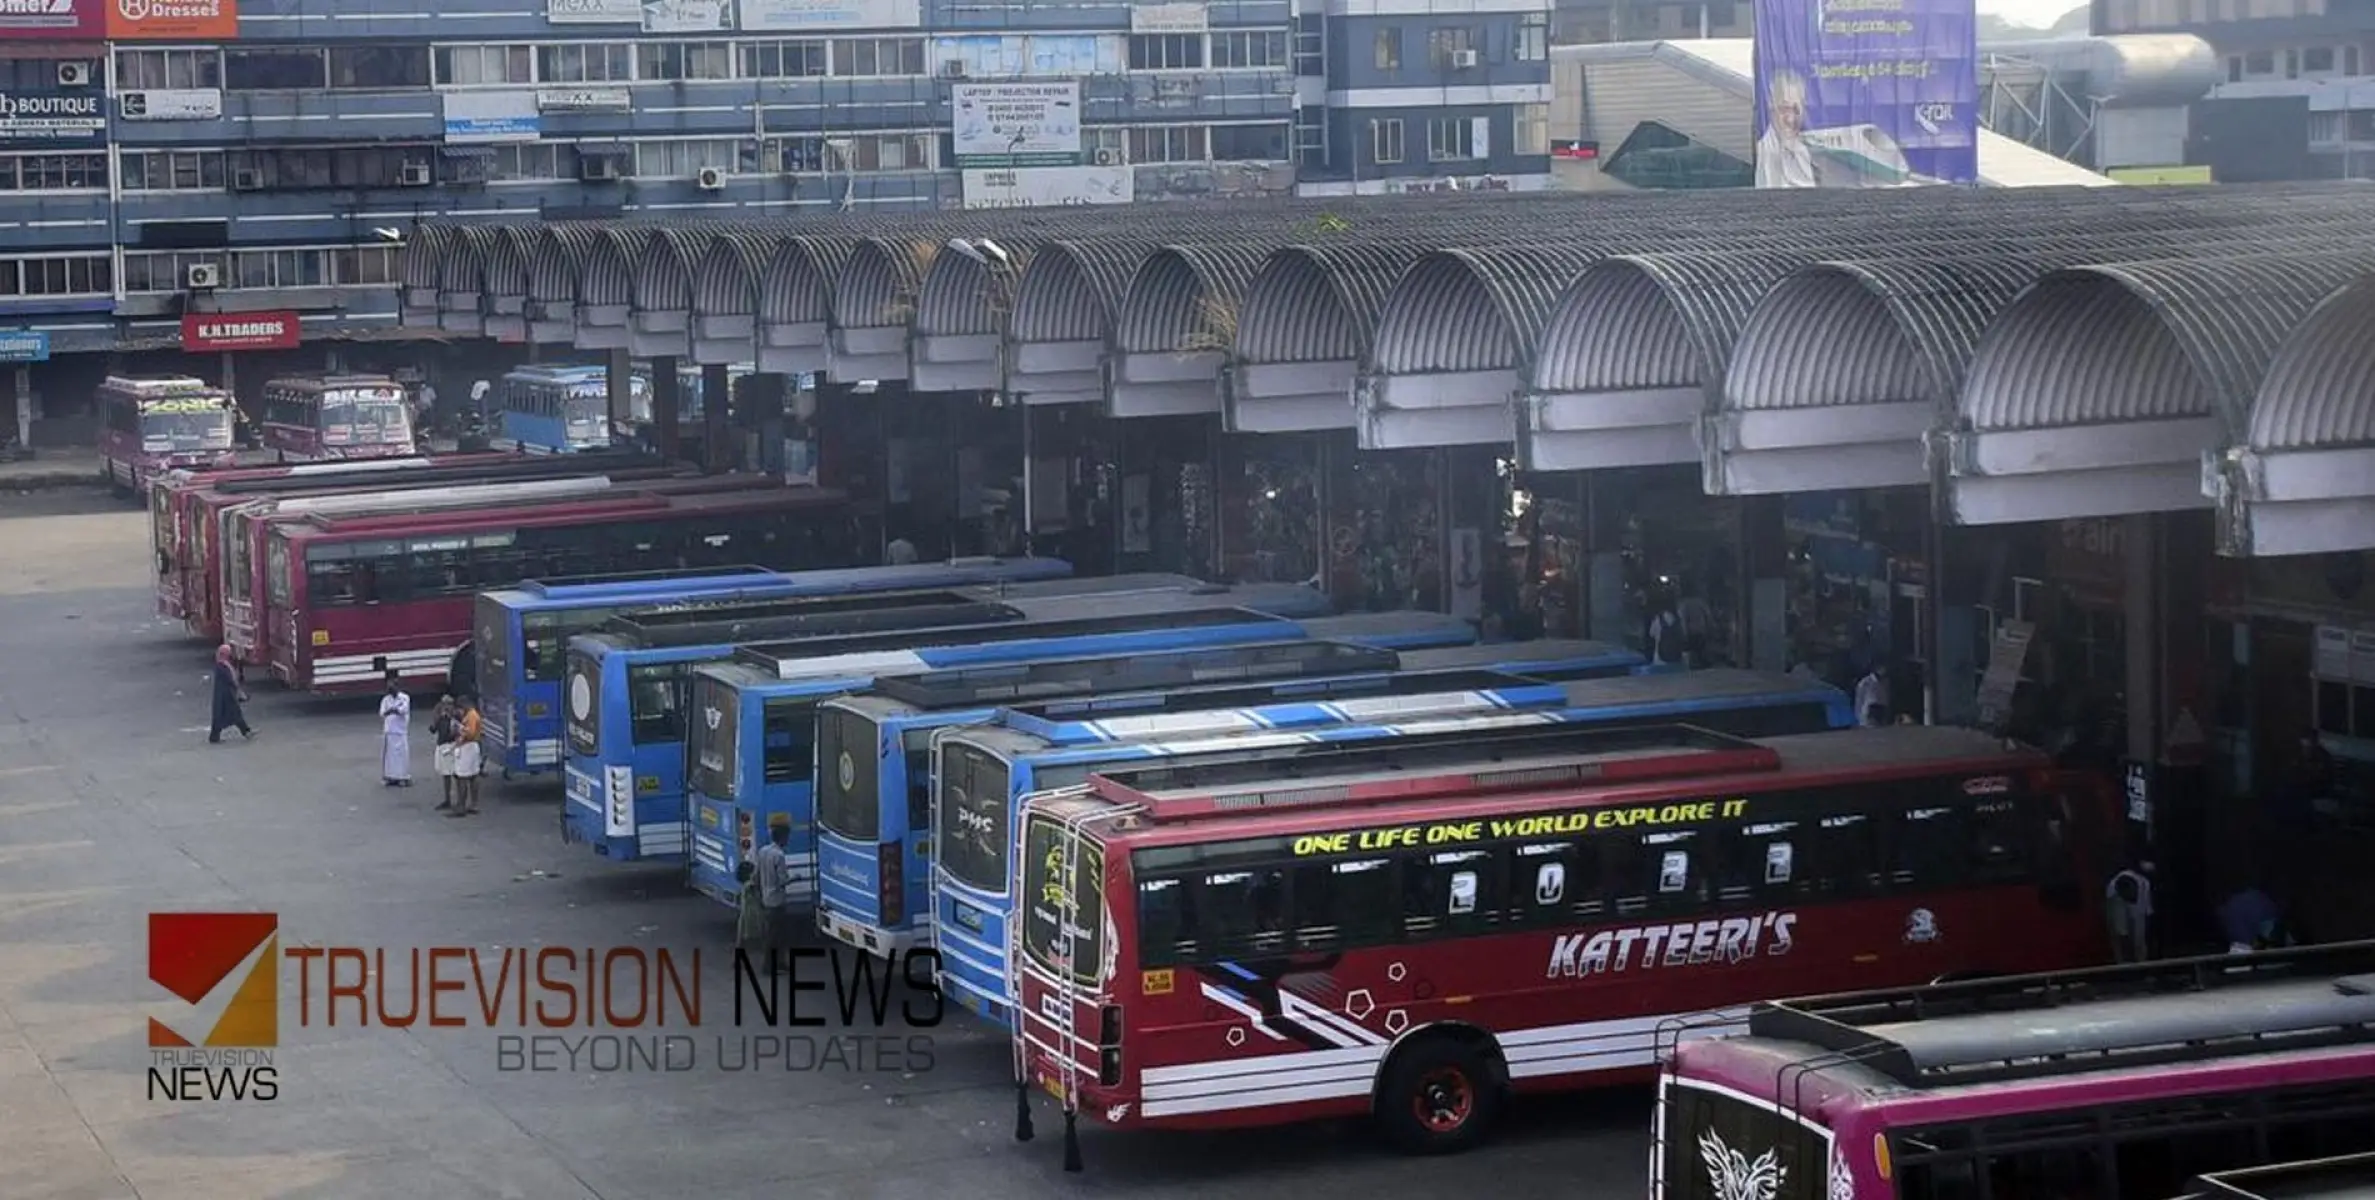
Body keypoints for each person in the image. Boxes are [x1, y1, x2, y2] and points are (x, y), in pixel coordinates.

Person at [1756, 70, 1820, 188]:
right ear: (1771, 107)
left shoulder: (1812, 150)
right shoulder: (1764, 150)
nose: (1790, 119)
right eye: (1784, 109)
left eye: (1796, 109)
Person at [752, 812, 797, 969]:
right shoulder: (779, 855)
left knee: (771, 933)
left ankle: (777, 963)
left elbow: (756, 876)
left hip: (765, 898)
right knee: (777, 935)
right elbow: (783, 880)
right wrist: (796, 878)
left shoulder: (763, 851)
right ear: (783, 837)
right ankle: (770, 965)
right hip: (777, 901)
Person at [2105, 864, 2154, 963]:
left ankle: (2143, 966)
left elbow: (2148, 913)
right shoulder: (2113, 894)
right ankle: (2124, 966)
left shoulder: (2145, 884)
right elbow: (2120, 932)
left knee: (2139, 942)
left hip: (2138, 917)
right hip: (2117, 905)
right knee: (2120, 939)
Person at [446, 696, 483, 818]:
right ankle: (474, 804)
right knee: (473, 775)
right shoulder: (472, 715)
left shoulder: (471, 716)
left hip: (467, 747)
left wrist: (459, 730)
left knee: (462, 777)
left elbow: (470, 733)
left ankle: (461, 806)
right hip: (473, 747)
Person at [208, 645, 254, 743]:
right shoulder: (221, 666)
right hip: (225, 696)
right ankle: (246, 732)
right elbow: (230, 680)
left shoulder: (223, 665)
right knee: (234, 715)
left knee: (225, 716)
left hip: (225, 696)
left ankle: (246, 731)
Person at [379, 672, 413, 787]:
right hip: (389, 730)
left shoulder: (404, 698)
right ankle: (390, 777)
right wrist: (392, 710)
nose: (390, 688)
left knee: (401, 756)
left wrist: (393, 710)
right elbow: (382, 713)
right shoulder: (385, 699)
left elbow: (403, 710)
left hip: (400, 731)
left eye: (392, 686)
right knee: (389, 757)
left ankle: (403, 777)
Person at [430, 695, 460, 811]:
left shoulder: (455, 717)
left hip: (451, 745)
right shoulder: (441, 717)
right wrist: (437, 717)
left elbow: (456, 732)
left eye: (448, 704)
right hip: (441, 745)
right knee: (445, 773)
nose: (446, 706)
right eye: (444, 704)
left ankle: (459, 800)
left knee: (455, 773)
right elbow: (433, 730)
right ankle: (447, 799)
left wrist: (450, 719)